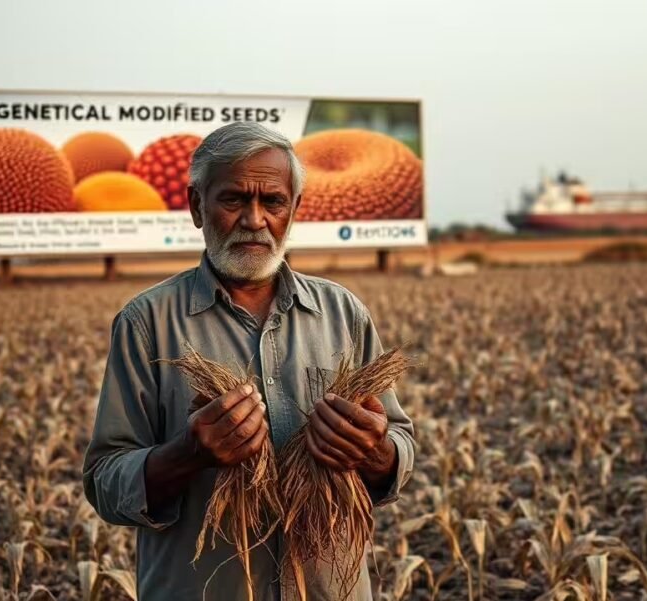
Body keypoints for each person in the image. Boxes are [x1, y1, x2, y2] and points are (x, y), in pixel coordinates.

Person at [82, 121, 415, 600]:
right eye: (234, 199)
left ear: (294, 210)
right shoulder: (145, 323)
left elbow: (398, 448)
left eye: (273, 202)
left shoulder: (343, 313)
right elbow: (105, 481)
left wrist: (375, 450)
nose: (254, 219)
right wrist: (188, 454)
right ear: (198, 206)